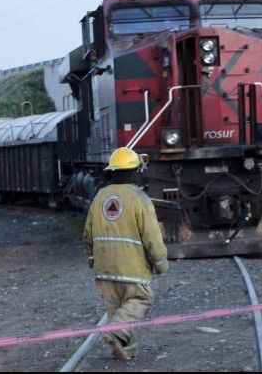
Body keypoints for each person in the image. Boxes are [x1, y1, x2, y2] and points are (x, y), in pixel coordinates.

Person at [84, 147, 169, 362]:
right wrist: (160, 263)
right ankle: (115, 333)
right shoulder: (139, 198)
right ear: (135, 171)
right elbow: (152, 237)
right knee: (141, 299)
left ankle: (126, 351)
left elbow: (87, 234)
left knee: (118, 310)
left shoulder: (100, 197)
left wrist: (93, 260)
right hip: (131, 268)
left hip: (104, 269)